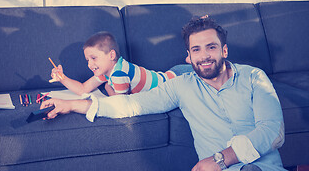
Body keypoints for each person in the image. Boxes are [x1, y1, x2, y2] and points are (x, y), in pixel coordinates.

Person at [41, 16, 285, 171]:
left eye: (211, 47)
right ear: (189, 56)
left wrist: (221, 159)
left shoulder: (255, 77)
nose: (205, 55)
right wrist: (73, 105)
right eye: (196, 50)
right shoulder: (181, 86)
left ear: (224, 49)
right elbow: (130, 105)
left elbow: (273, 132)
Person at [50, 31, 178, 96]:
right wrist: (62, 78)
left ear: (111, 55)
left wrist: (107, 87)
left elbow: (121, 104)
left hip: (175, 80)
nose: (90, 64)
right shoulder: (107, 70)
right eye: (87, 60)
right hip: (171, 75)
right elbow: (83, 89)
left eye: (94, 58)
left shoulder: (118, 73)